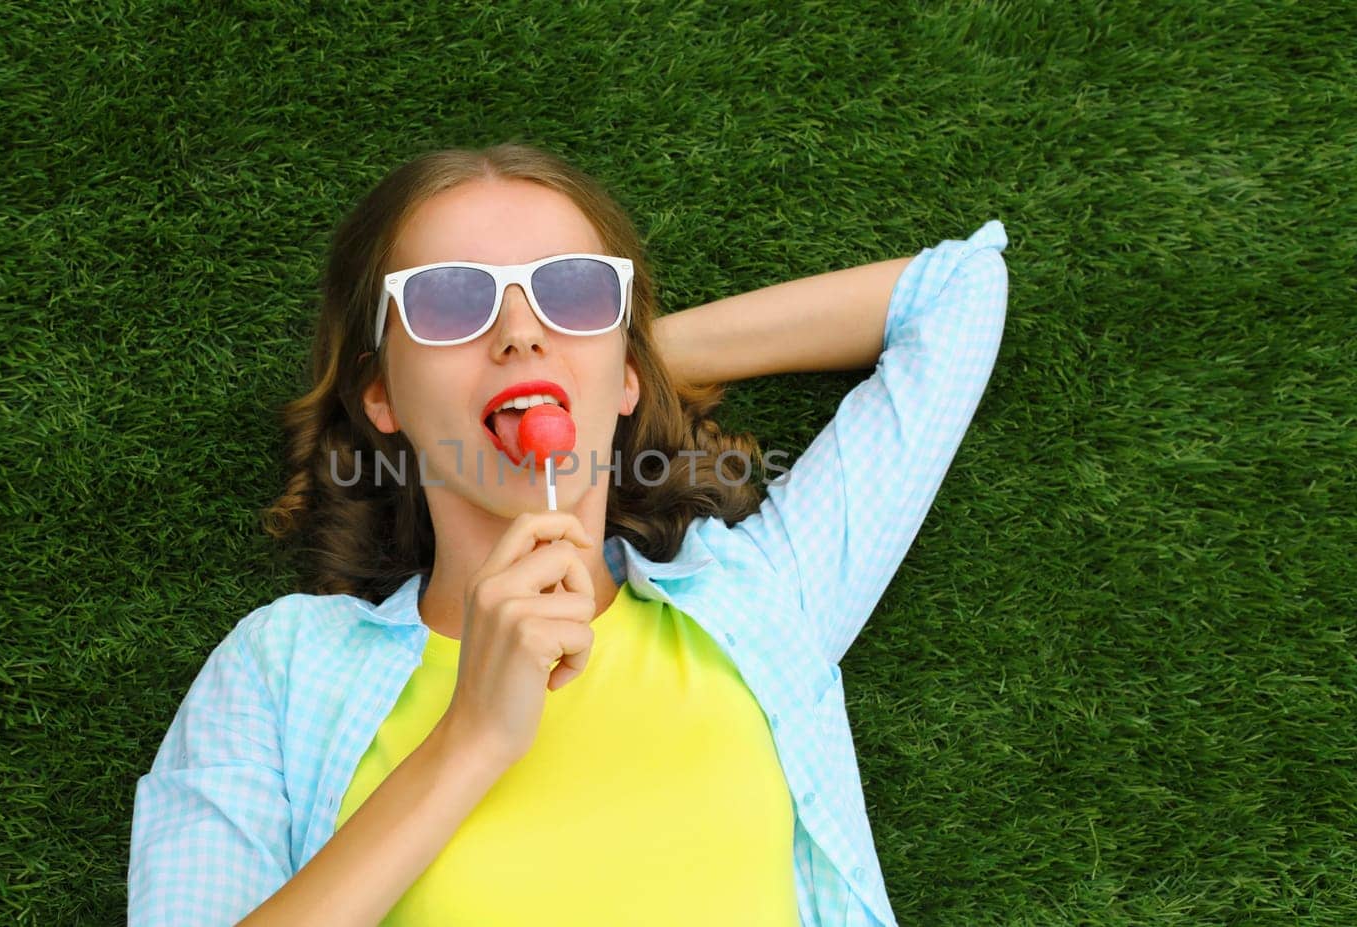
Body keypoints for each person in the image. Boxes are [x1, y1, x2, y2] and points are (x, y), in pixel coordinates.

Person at [127, 142, 1010, 927]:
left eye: (575, 291)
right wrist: (471, 737)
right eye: (447, 302)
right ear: (381, 395)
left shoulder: (764, 594)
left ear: (626, 371)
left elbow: (958, 292)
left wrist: (620, 361)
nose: (519, 332)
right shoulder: (279, 669)